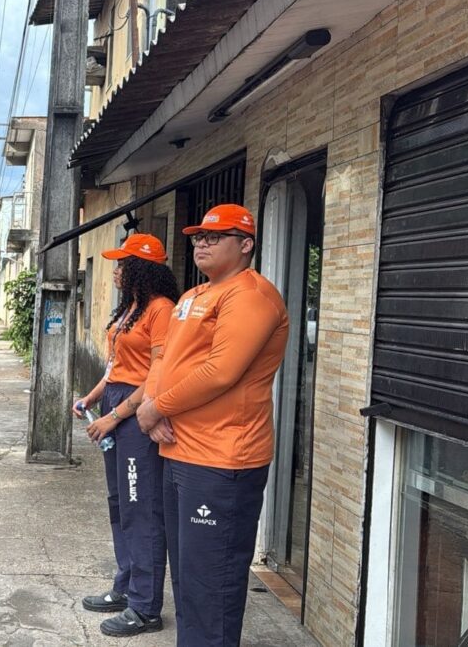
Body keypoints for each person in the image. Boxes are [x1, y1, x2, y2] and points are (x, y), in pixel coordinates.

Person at [136, 204, 289, 647]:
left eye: (214, 236)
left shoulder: (251, 296)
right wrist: (153, 408)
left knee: (212, 584)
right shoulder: (191, 298)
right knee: (187, 579)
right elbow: (165, 360)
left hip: (223, 459)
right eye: (198, 235)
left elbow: (222, 371)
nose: (201, 242)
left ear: (246, 245)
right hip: (180, 450)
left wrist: (156, 407)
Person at [71, 233, 180, 638]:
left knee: (142, 507)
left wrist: (114, 416)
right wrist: (92, 398)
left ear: (142, 267)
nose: (115, 271)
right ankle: (126, 586)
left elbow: (157, 375)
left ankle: (146, 606)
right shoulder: (131, 308)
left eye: (122, 264)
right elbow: (115, 367)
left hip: (136, 413)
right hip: (116, 402)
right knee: (120, 503)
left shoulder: (161, 310)